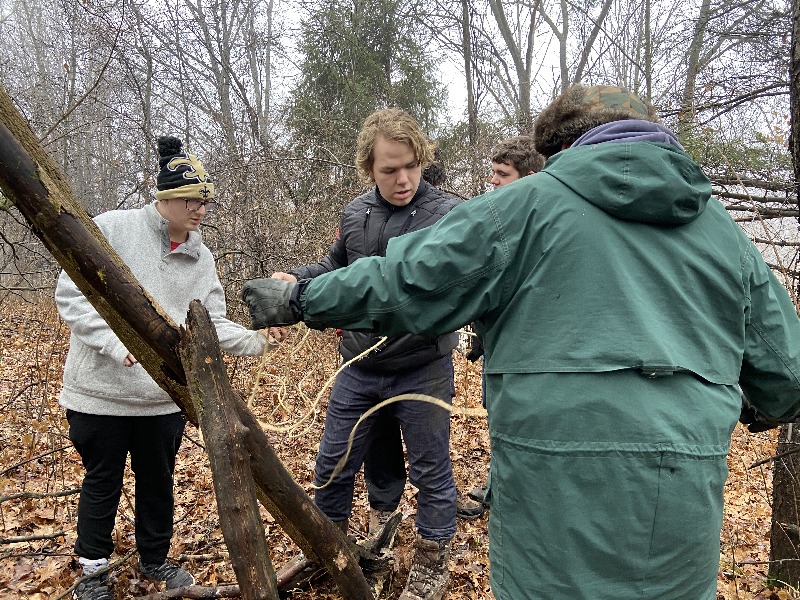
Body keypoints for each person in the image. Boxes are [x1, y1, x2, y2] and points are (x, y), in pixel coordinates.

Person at [242, 84, 800, 600]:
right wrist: (730, 400)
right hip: (680, 486)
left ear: (562, 147)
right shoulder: (722, 231)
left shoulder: (523, 207)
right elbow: (788, 378)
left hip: (549, 473)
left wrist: (300, 299)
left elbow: (404, 280)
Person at [58, 136, 276, 600]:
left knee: (157, 483)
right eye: (191, 200)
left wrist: (256, 341)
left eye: (204, 202)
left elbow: (210, 323)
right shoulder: (112, 229)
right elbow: (71, 297)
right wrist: (117, 345)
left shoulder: (202, 256)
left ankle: (154, 558)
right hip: (100, 396)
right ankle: (93, 573)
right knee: (103, 482)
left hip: (164, 399)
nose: (200, 209)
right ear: (164, 199)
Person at [271, 108, 462, 600]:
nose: (403, 179)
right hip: (359, 364)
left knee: (430, 470)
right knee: (333, 463)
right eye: (389, 170)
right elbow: (336, 266)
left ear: (423, 159)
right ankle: (331, 550)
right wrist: (299, 278)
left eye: (411, 166)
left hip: (423, 367)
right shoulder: (356, 214)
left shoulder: (447, 216)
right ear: (368, 169)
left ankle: (429, 567)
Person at [459, 135, 547, 518]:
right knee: (498, 419)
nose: (493, 182)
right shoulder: (499, 222)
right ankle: (498, 490)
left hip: (531, 355)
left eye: (502, 174)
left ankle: (517, 498)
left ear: (528, 177)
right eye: (492, 173)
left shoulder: (542, 224)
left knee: (523, 426)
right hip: (499, 347)